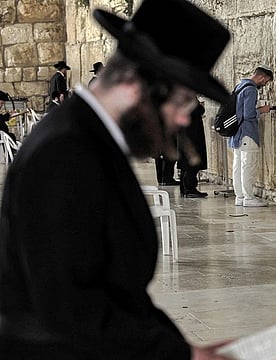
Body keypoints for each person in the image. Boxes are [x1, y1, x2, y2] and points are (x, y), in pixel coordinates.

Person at [0, 1, 234, 359]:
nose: (186, 119)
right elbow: (69, 306)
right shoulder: (67, 151)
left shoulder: (90, 138)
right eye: (183, 101)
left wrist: (185, 350)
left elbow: (117, 291)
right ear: (137, 84)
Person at [228, 65, 274, 207]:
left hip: (236, 133)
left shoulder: (240, 86)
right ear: (261, 77)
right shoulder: (251, 89)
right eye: (266, 82)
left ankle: (240, 196)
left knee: (238, 165)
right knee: (248, 165)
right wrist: (262, 110)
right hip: (247, 133)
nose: (265, 84)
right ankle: (248, 198)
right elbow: (248, 114)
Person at [177, 97, 208, 198]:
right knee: (191, 163)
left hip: (185, 133)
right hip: (192, 134)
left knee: (185, 163)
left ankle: (184, 189)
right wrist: (201, 106)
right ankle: (190, 189)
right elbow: (197, 110)